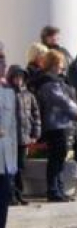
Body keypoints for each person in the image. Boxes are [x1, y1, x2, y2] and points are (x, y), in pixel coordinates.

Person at [36, 51, 77, 202]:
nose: (62, 66)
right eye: (59, 63)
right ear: (52, 64)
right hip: (55, 125)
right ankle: (53, 190)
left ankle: (60, 189)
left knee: (60, 158)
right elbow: (61, 100)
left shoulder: (57, 80)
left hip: (62, 123)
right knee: (56, 158)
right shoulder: (48, 82)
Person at [6, 66, 40, 206]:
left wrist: (35, 133)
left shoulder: (28, 95)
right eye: (16, 77)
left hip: (23, 138)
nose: (19, 80)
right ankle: (10, 195)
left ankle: (19, 194)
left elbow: (35, 114)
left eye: (21, 77)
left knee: (20, 167)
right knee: (10, 169)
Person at [0, 84, 18, 228]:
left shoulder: (8, 93)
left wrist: (13, 161)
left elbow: (12, 127)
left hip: (4, 160)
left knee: (2, 207)